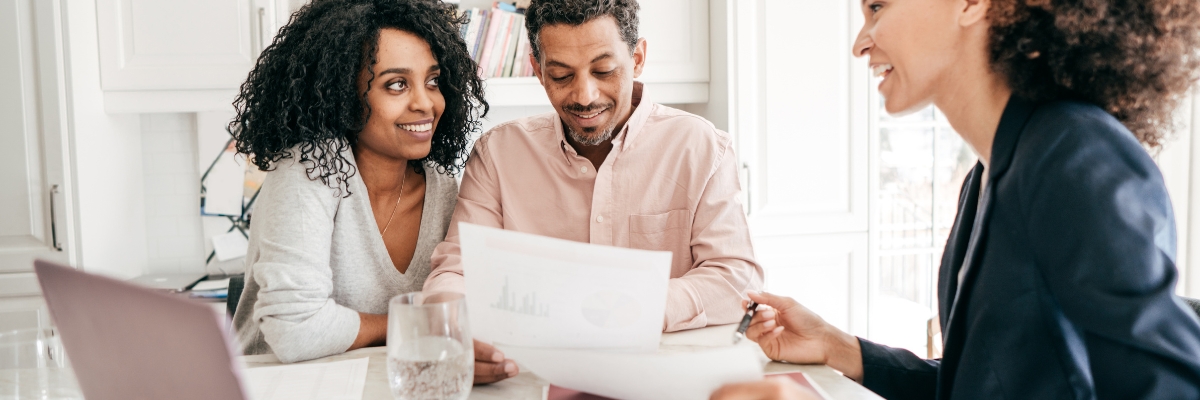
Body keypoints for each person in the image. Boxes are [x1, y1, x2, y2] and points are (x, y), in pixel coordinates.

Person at [713, 0, 1200, 397]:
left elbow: (1169, 388)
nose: (861, 42)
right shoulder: (986, 175)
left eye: (878, 8)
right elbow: (974, 385)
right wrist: (838, 347)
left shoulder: (1074, 153)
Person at [423, 0, 764, 383]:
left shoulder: (701, 147)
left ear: (637, 59)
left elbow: (735, 278)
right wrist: (452, 329)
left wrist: (631, 308)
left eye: (603, 70)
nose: (585, 96)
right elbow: (455, 271)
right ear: (536, 69)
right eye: (561, 75)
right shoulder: (497, 154)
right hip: (530, 379)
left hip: (665, 379)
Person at [228, 0, 489, 367]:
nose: (425, 103)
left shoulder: (442, 186)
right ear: (342, 95)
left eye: (432, 81)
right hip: (275, 385)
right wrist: (412, 325)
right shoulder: (309, 170)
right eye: (396, 85)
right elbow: (294, 330)